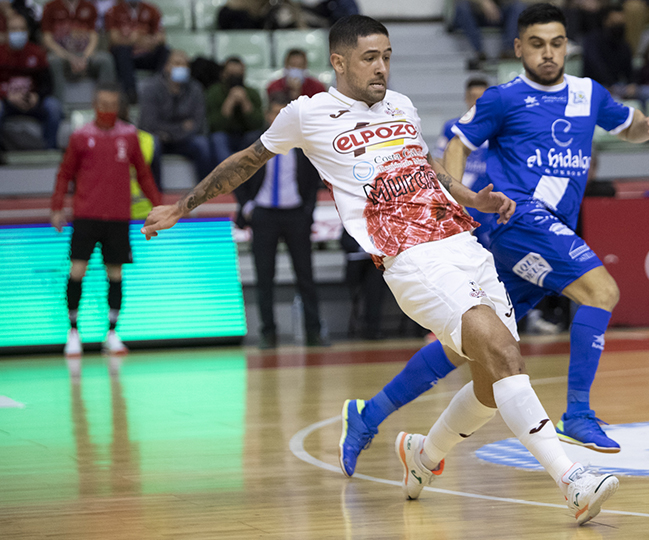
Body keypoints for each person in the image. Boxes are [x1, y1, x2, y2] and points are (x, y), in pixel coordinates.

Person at [139, 13, 622, 525]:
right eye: (371, 58)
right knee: (504, 353)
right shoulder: (307, 113)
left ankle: (423, 453)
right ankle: (572, 481)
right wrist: (182, 206)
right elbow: (247, 159)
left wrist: (470, 194)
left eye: (387, 57)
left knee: (489, 383)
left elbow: (428, 166)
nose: (382, 68)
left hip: (462, 242)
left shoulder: (401, 106)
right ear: (339, 61)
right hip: (410, 258)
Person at [338, 3, 649, 477]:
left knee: (466, 346)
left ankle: (366, 416)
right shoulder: (503, 97)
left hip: (549, 233)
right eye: (537, 44)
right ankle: (577, 413)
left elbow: (626, 123)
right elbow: (456, 143)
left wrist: (648, 127)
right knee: (603, 292)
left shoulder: (588, 93)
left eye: (556, 43)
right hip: (519, 222)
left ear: (567, 47)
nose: (548, 53)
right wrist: (456, 203)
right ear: (519, 48)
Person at [51, 83, 161, 357]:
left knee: (116, 274)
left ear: (119, 107)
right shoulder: (80, 136)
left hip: (118, 217)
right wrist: (56, 207)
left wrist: (159, 206)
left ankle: (112, 333)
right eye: (102, 105)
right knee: (77, 271)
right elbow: (64, 174)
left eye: (112, 106)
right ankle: (73, 332)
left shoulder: (129, 135)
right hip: (86, 215)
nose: (107, 111)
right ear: (94, 104)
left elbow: (144, 174)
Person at [232, 97, 328, 349]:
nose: (278, 117)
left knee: (305, 276)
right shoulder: (255, 142)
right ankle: (268, 333)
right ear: (266, 115)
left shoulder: (303, 144)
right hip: (264, 214)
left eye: (282, 113)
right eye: (274, 112)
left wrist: (307, 211)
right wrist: (248, 206)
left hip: (295, 214)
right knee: (265, 277)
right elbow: (237, 174)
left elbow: (312, 181)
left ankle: (313, 332)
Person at [138, 49, 214, 188]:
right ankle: (156, 193)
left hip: (183, 140)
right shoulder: (150, 88)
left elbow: (198, 123)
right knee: (152, 145)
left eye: (185, 65)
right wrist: (180, 128)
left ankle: (204, 192)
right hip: (160, 139)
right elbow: (149, 124)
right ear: (167, 66)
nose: (182, 68)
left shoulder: (195, 89)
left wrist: (170, 133)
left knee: (202, 144)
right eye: (177, 63)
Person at [0, 14, 62, 149]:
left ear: (27, 32)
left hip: (32, 101)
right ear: (6, 32)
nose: (18, 33)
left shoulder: (37, 53)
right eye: (14, 29)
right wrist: (6, 96)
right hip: (7, 101)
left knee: (54, 107)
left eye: (21, 29)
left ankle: (49, 150)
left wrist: (37, 96)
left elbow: (47, 84)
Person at [40, 0, 115, 102]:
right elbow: (47, 39)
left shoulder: (89, 7)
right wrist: (70, 57)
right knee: (52, 60)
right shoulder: (50, 7)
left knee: (106, 59)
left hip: (85, 55)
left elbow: (94, 36)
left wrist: (85, 57)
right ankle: (58, 106)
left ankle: (106, 103)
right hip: (61, 55)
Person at [104, 0, 168, 104]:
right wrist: (134, 40)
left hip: (146, 53)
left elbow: (161, 37)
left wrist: (149, 40)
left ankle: (160, 89)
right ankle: (131, 94)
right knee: (121, 51)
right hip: (126, 57)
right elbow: (113, 39)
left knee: (164, 51)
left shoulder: (152, 10)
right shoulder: (113, 11)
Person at [206, 56, 264, 164]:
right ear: (223, 74)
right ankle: (227, 173)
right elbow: (213, 126)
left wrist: (246, 103)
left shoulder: (252, 93)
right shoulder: (214, 92)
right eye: (231, 74)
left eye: (238, 74)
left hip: (245, 136)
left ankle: (246, 175)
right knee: (217, 138)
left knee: (256, 136)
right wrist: (229, 104)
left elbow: (258, 124)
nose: (235, 77)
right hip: (225, 135)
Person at [581, 6, 638, 100]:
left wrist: (631, 84)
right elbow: (595, 65)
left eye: (621, 23)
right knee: (614, 100)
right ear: (606, 21)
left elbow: (629, 70)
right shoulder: (592, 40)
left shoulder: (624, 44)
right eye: (615, 23)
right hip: (596, 85)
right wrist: (610, 85)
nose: (619, 27)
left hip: (617, 86)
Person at [454, 0, 526, 70]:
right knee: (462, 7)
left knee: (518, 7)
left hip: (498, 13)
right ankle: (479, 54)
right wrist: (483, 2)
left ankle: (508, 52)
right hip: (473, 14)